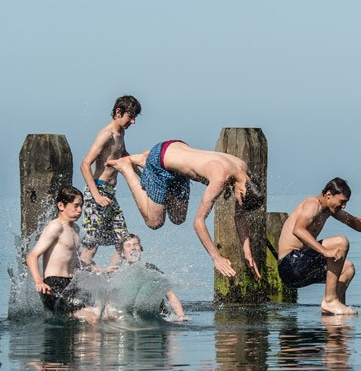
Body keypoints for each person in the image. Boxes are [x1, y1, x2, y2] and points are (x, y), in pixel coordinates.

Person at [109, 140, 265, 278]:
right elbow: (198, 222)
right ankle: (127, 168)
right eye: (239, 200)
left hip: (177, 152)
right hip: (160, 163)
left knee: (178, 218)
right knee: (154, 222)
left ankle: (145, 159)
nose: (237, 202)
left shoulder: (244, 173)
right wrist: (216, 257)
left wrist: (247, 252)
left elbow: (239, 217)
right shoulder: (220, 177)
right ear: (243, 191)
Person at [277, 177, 361, 315]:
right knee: (341, 242)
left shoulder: (328, 209)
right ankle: (330, 301)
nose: (344, 206)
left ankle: (335, 309)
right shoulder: (312, 204)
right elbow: (298, 229)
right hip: (290, 265)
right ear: (329, 194)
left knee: (347, 269)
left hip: (300, 265)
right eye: (342, 202)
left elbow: (352, 221)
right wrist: (324, 251)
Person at [79, 95, 141, 269]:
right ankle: (82, 276)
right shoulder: (107, 134)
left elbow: (124, 156)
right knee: (92, 242)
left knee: (124, 241)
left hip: (109, 194)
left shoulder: (121, 133)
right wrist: (96, 196)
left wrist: (142, 176)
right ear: (118, 112)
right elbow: (84, 165)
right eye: (131, 116)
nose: (133, 121)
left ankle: (109, 275)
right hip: (96, 192)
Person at [26, 185, 103, 323]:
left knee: (107, 312)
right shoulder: (55, 227)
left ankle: (79, 343)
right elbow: (32, 256)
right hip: (53, 286)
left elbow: (74, 260)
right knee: (92, 318)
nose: (80, 210)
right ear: (61, 206)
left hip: (71, 284)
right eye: (76, 206)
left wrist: (97, 270)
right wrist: (39, 282)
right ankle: (83, 342)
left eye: (81, 206)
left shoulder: (75, 229)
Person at [111, 233, 187, 320]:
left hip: (159, 315)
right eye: (128, 245)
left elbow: (170, 294)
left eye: (136, 244)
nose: (133, 248)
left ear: (141, 248)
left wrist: (180, 315)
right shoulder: (118, 273)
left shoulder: (151, 269)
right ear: (122, 253)